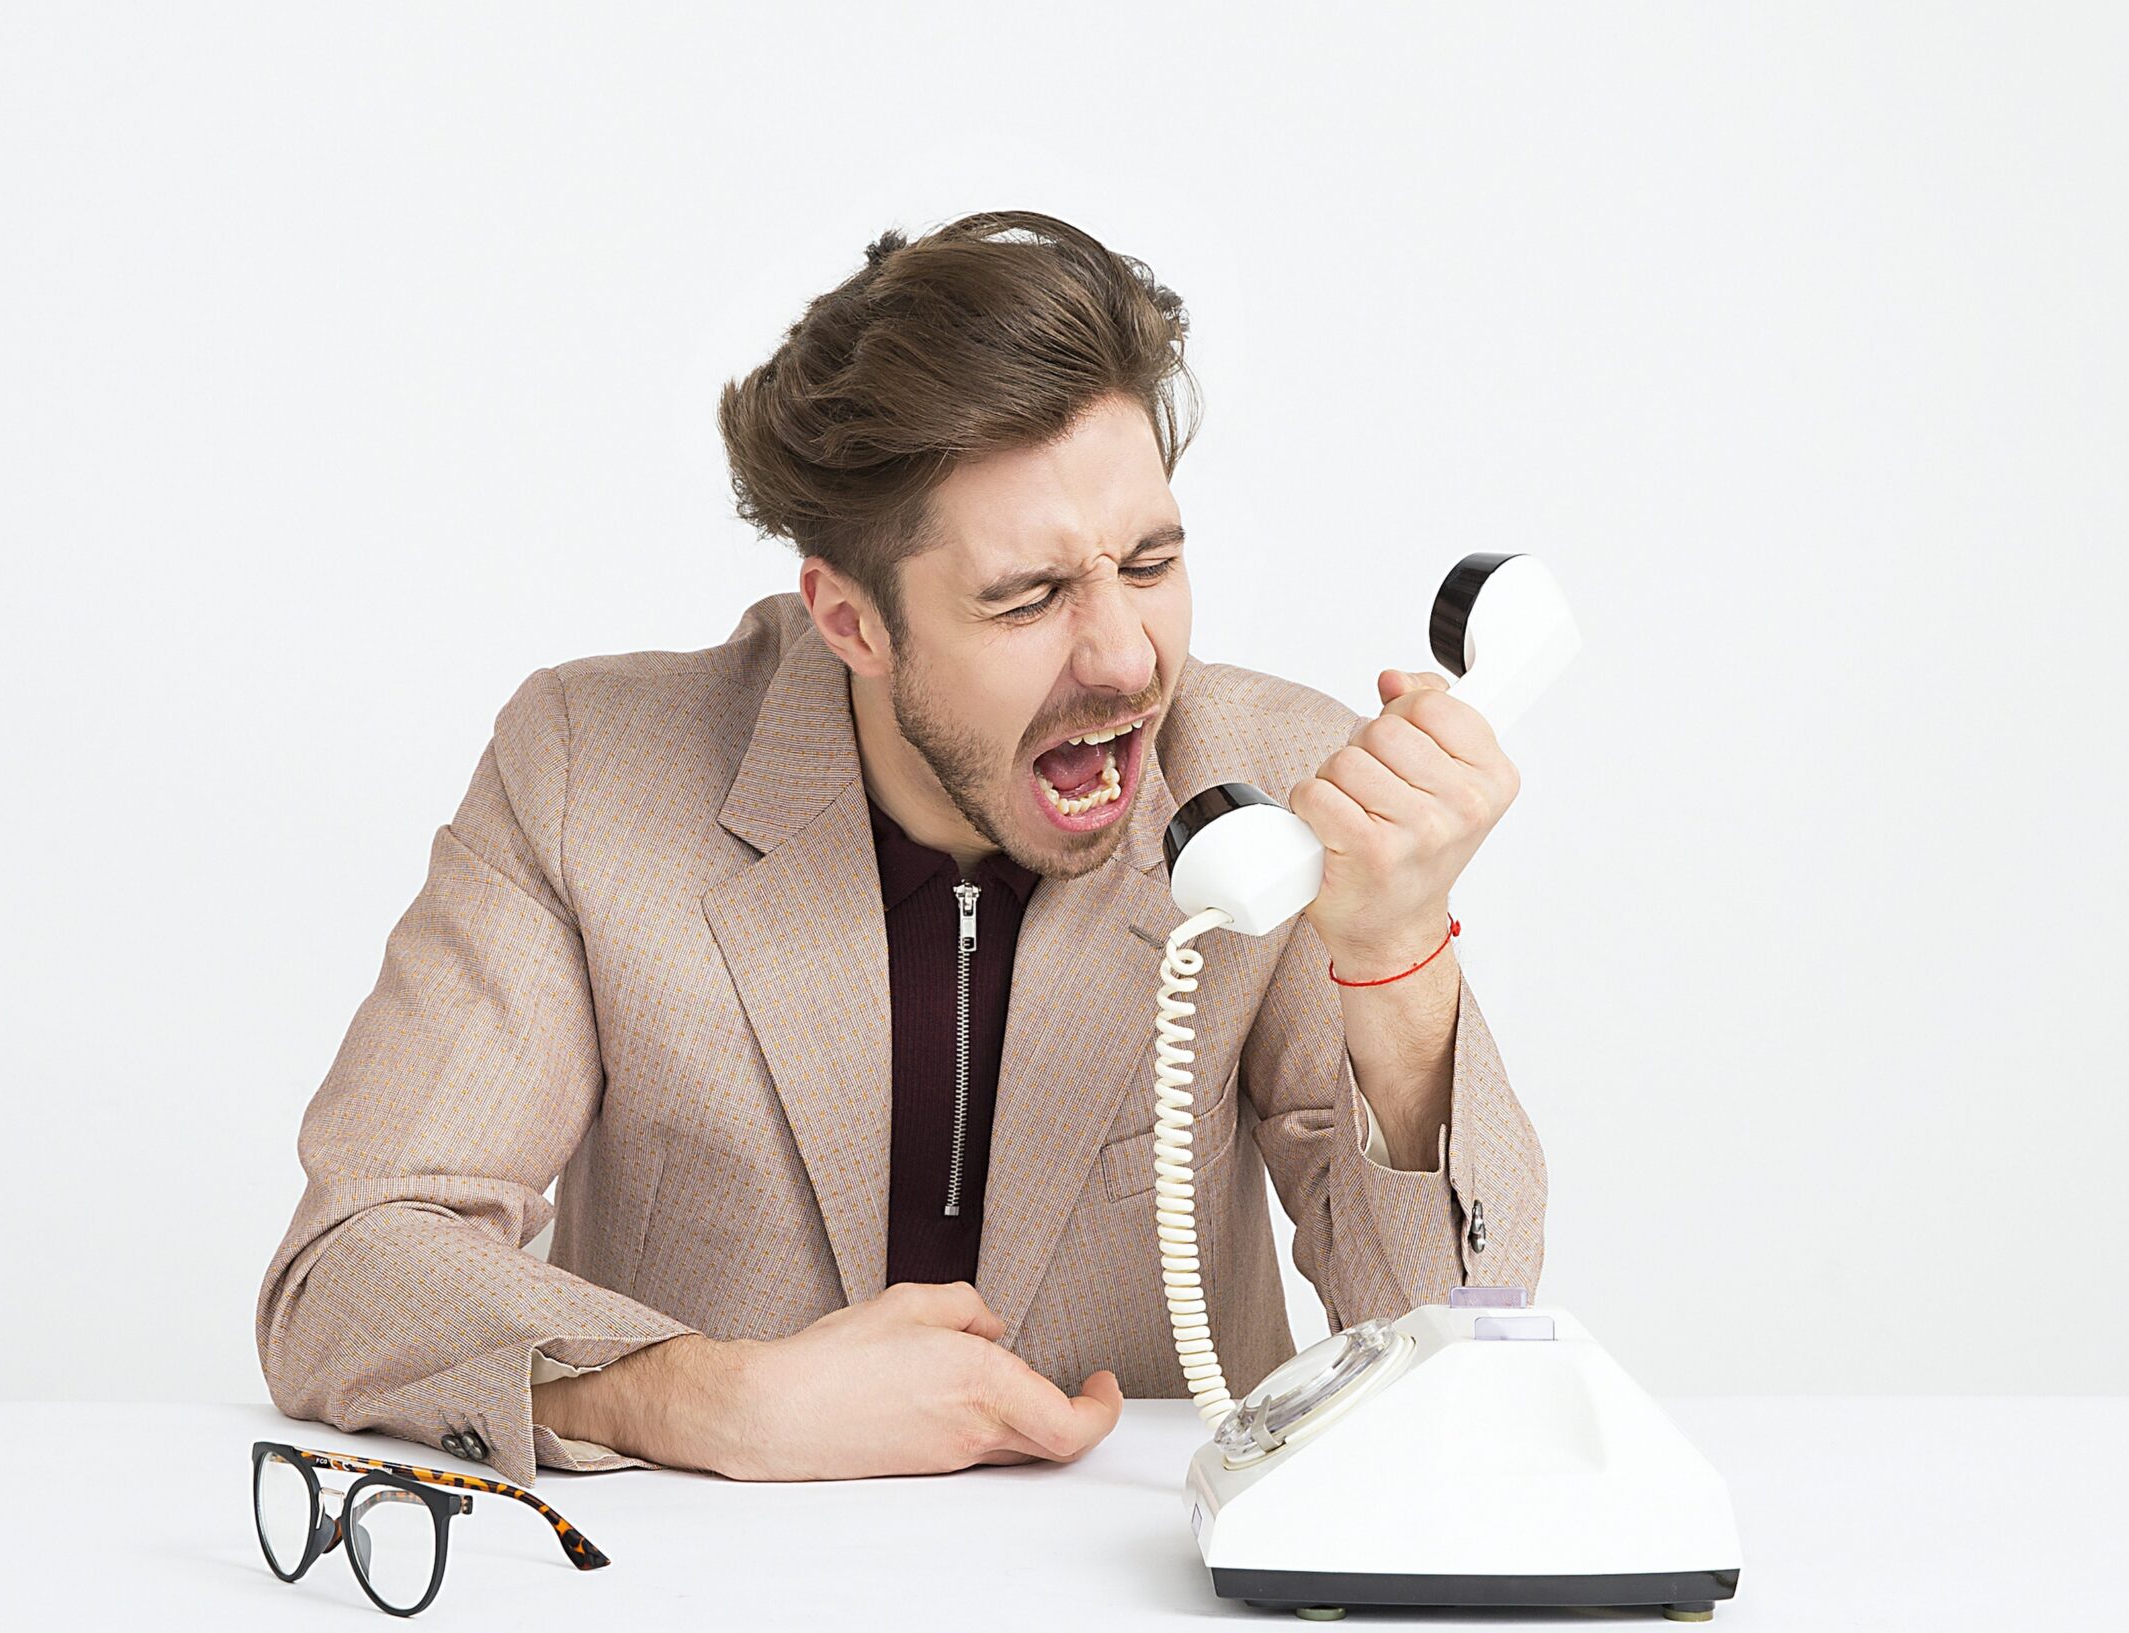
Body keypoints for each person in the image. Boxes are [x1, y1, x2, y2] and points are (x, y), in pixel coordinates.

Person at [254, 210, 1546, 1486]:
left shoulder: (1269, 779)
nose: (1125, 658)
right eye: (1027, 596)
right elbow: (352, 1264)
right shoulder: (589, 766)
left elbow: (1459, 1338)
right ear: (851, 619)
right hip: (700, 1595)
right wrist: (698, 1400)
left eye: (1149, 563)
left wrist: (1394, 959)